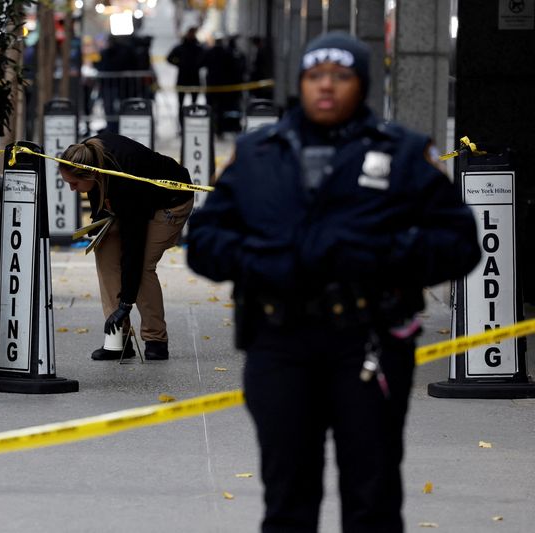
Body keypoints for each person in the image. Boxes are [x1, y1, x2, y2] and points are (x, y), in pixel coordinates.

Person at [186, 32, 481, 532]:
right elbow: (205, 243)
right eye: (315, 76)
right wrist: (270, 261)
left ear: (362, 84)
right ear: (299, 84)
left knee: (372, 494)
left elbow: (458, 243)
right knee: (288, 495)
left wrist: (378, 256)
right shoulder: (258, 154)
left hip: (370, 343)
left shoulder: (404, 153)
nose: (326, 87)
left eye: (341, 77)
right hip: (279, 342)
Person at [59, 133, 194, 361]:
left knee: (142, 266)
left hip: (170, 202)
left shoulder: (126, 178)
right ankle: (118, 339)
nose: (72, 189)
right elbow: (99, 199)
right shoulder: (89, 155)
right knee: (104, 250)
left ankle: (156, 340)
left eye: (74, 183)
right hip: (134, 202)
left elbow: (134, 245)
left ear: (92, 173)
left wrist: (125, 303)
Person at [167, 27, 204, 115]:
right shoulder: (181, 48)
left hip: (193, 78)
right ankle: (181, 120)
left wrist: (197, 65)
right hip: (183, 78)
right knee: (181, 103)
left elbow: (204, 59)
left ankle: (192, 117)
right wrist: (179, 64)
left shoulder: (198, 48)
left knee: (194, 103)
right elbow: (169, 58)